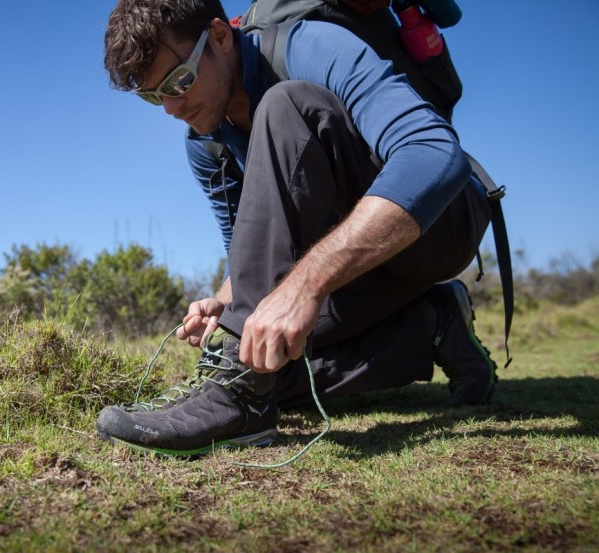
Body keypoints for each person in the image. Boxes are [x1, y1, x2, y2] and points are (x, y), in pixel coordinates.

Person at [96, 0, 497, 456]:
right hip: (355, 269)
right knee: (265, 365)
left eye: (179, 81)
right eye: (154, 96)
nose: (171, 108)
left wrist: (305, 284)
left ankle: (235, 396)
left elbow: (433, 154)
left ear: (220, 37)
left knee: (284, 105)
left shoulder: (308, 47)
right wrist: (224, 303)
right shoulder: (205, 144)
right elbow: (248, 256)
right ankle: (433, 326)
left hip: (439, 229)